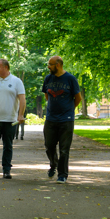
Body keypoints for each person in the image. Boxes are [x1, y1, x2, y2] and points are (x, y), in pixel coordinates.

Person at [41, 56, 81, 184]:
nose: (48, 66)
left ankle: (62, 175)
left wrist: (69, 110)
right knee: (49, 146)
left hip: (66, 120)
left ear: (58, 65)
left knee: (64, 149)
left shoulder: (70, 79)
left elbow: (78, 98)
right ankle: (54, 164)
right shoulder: (48, 78)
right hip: (51, 119)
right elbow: (47, 95)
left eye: (50, 64)